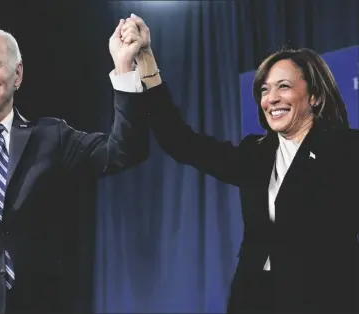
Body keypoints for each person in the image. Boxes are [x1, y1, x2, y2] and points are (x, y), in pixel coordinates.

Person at [116, 14, 359, 313]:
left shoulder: (347, 148)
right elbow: (181, 142)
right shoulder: (255, 153)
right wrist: (147, 61)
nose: (271, 99)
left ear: (315, 96)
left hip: (324, 300)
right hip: (254, 299)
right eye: (264, 90)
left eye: (283, 86)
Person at [0, 20, 149, 314]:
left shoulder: (51, 136)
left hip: (40, 302)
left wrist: (124, 68)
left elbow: (123, 152)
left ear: (17, 73)